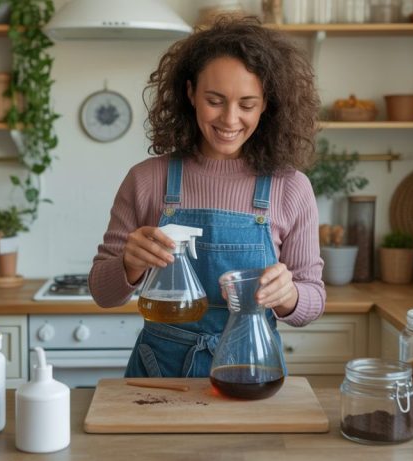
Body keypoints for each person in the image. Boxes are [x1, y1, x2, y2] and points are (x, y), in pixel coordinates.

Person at [88, 16, 325, 378]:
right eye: (215, 100)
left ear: (267, 105)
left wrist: (289, 294)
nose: (230, 119)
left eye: (247, 104)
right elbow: (103, 293)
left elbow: (313, 302)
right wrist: (128, 265)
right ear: (190, 94)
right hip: (161, 377)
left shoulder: (291, 187)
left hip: (252, 370)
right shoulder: (147, 179)